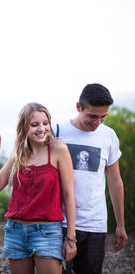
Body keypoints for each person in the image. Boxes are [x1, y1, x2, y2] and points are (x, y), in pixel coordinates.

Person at [0, 102, 77, 274]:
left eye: (45, 123)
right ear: (24, 127)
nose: (42, 129)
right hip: (15, 231)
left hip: (47, 232)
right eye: (34, 124)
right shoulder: (19, 152)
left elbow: (69, 194)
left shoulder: (58, 149)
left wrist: (71, 238)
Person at [54, 83, 128, 274]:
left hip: (96, 224)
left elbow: (115, 181)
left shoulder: (109, 136)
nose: (98, 122)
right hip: (60, 222)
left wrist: (120, 225)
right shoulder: (57, 133)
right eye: (93, 116)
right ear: (78, 107)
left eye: (103, 116)